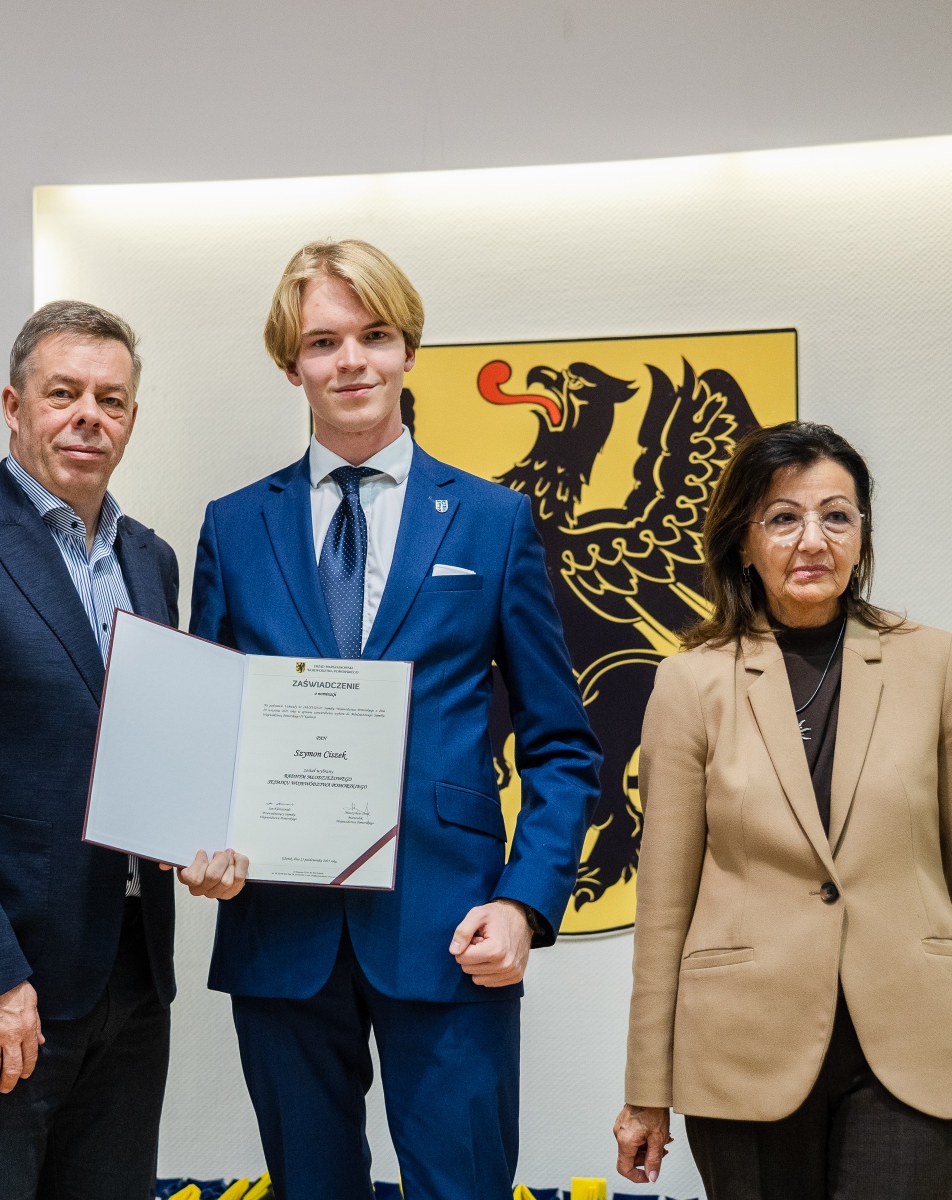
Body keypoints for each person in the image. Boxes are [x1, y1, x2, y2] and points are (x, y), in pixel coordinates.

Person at [189, 240, 601, 1200]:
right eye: (322, 342)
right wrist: (194, 840)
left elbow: (560, 743)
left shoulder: (493, 520)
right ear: (291, 364)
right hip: (280, 930)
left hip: (452, 927)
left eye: (374, 336)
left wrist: (525, 903)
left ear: (409, 349)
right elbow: (207, 730)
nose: (352, 362)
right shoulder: (234, 526)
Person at [0, 300, 245, 1200]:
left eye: (111, 399)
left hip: (131, 980)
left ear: (132, 418)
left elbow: (155, 747)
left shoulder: (150, 560)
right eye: (63, 393)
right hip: (0, 987)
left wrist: (209, 835)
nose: (88, 417)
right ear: (14, 405)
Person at [614, 421, 952, 1199]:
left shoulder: (937, 662)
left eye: (836, 516)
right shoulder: (690, 681)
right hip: (743, 1049)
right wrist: (647, 1087)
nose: (813, 539)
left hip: (920, 1041)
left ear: (861, 536)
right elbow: (664, 903)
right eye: (784, 517)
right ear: (745, 541)